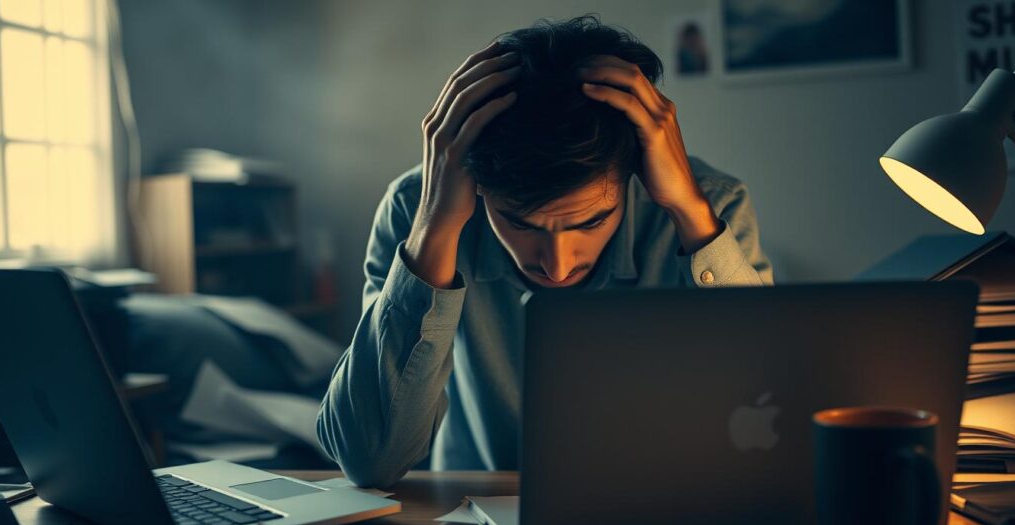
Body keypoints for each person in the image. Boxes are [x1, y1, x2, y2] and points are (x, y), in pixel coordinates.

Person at [317, 15, 773, 487]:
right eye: (519, 222)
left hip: (670, 502)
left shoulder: (712, 206)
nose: (557, 266)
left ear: (633, 172)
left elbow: (769, 402)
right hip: (473, 517)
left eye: (591, 221)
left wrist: (691, 213)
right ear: (480, 187)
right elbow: (369, 461)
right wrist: (434, 227)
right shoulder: (415, 212)